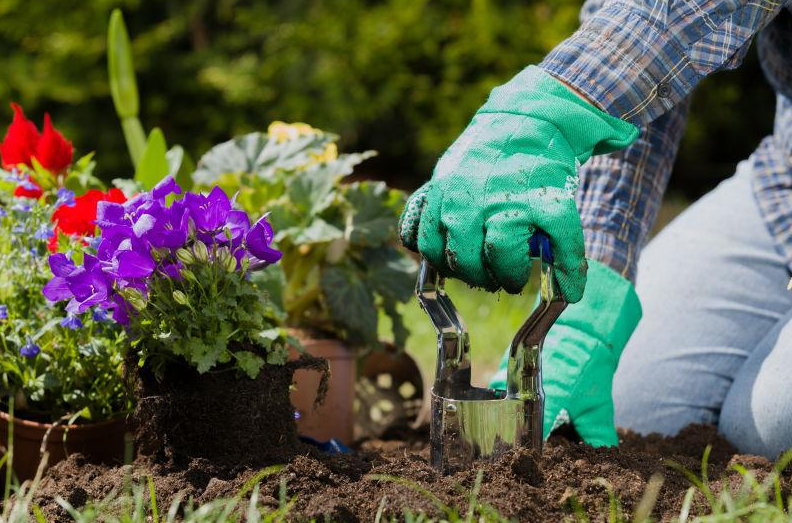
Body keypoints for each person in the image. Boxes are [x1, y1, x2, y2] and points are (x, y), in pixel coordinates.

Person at [398, 0, 792, 458]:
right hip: (782, 187)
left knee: (769, 422)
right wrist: (591, 303)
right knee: (634, 406)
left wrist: (546, 112)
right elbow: (656, 73)